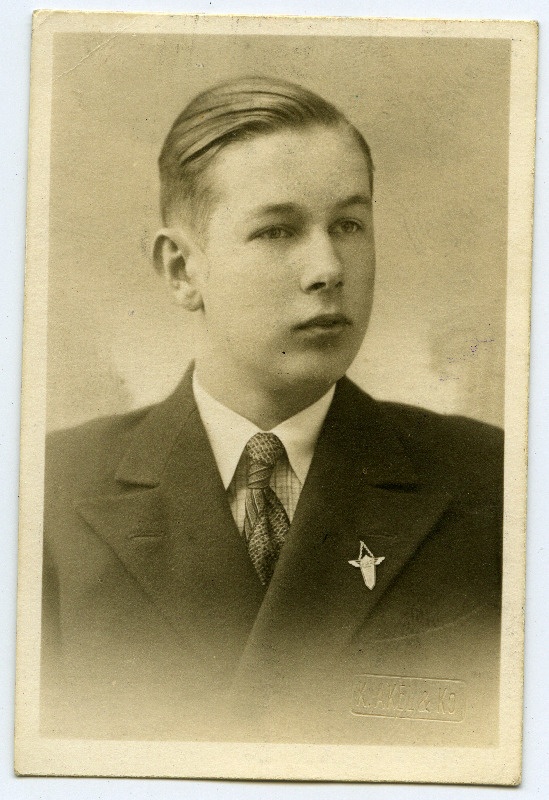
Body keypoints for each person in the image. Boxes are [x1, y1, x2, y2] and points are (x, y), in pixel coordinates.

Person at [41, 77, 503, 745]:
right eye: (277, 230)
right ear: (181, 270)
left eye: (348, 225)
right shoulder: (50, 492)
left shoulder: (491, 480)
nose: (328, 268)